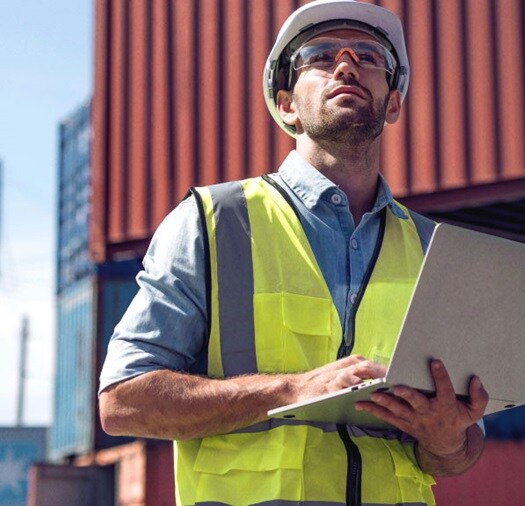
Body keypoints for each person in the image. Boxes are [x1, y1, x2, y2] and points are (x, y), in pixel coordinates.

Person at [97, 1, 488, 504]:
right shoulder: (214, 223)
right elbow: (123, 401)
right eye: (321, 56)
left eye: (369, 57)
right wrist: (290, 391)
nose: (346, 64)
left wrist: (447, 439)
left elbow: (459, 452)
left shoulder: (433, 247)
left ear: (393, 103)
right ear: (286, 105)